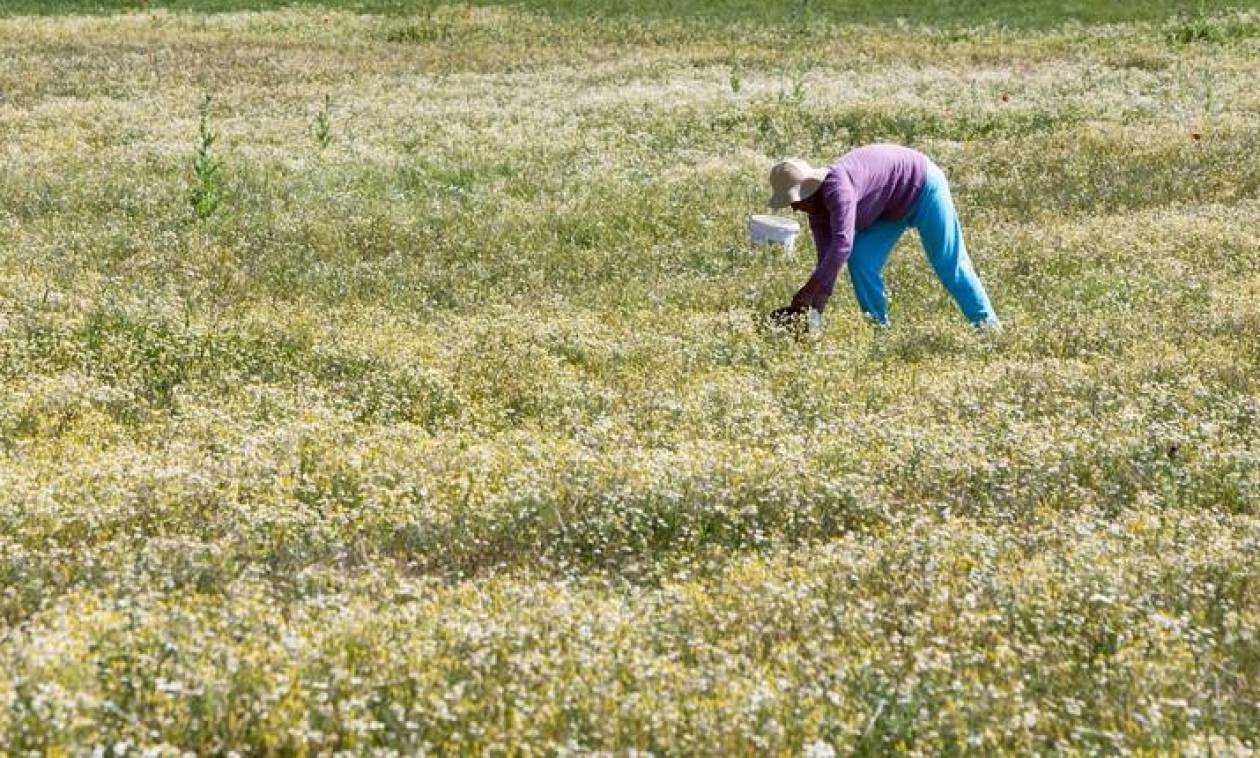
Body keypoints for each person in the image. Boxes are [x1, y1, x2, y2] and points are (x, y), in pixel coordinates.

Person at [765, 144, 1000, 331]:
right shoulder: (816, 211)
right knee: (861, 262)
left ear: (808, 190)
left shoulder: (838, 189)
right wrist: (815, 306)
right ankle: (880, 330)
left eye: (794, 202)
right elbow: (826, 260)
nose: (794, 209)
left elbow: (842, 246)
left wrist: (807, 289)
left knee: (949, 264)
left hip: (922, 186)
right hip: (889, 208)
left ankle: (989, 329)